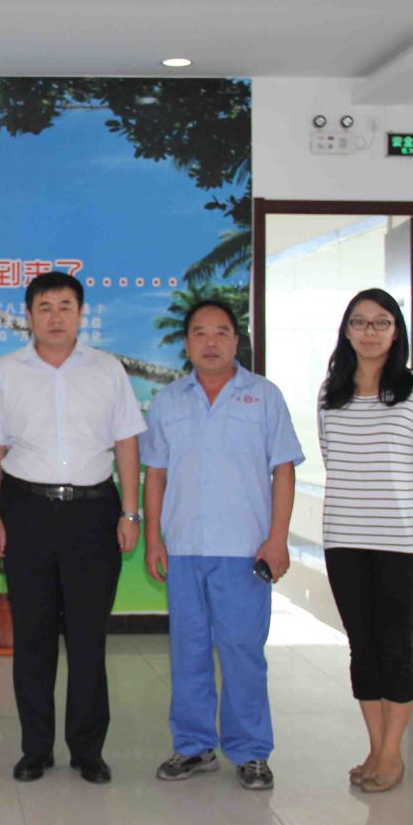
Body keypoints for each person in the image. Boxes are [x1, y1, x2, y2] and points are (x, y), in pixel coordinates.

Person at [0, 271, 146, 785]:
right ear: (29, 316)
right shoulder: (8, 371)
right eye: (45, 307)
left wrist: (131, 512)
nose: (55, 316)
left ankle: (87, 750)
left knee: (88, 637)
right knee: (32, 637)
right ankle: (35, 749)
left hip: (93, 514)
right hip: (27, 511)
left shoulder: (107, 370)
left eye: (66, 306)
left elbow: (127, 443)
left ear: (80, 314)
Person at [140, 300, 304, 791]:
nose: (210, 342)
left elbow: (284, 470)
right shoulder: (168, 401)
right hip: (185, 547)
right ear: (186, 342)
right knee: (187, 651)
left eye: (221, 332)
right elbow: (155, 475)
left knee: (242, 652)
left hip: (245, 549)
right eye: (199, 332)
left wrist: (278, 539)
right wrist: (153, 538)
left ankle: (251, 752)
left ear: (236, 340)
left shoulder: (264, 397)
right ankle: (193, 746)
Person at [317, 288, 413, 794]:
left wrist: (412, 525)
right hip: (344, 539)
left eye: (381, 322)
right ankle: (374, 746)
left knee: (394, 648)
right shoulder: (331, 392)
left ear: (397, 332)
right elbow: (333, 460)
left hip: (402, 543)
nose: (369, 331)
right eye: (359, 321)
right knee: (362, 647)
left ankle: (392, 754)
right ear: (346, 330)